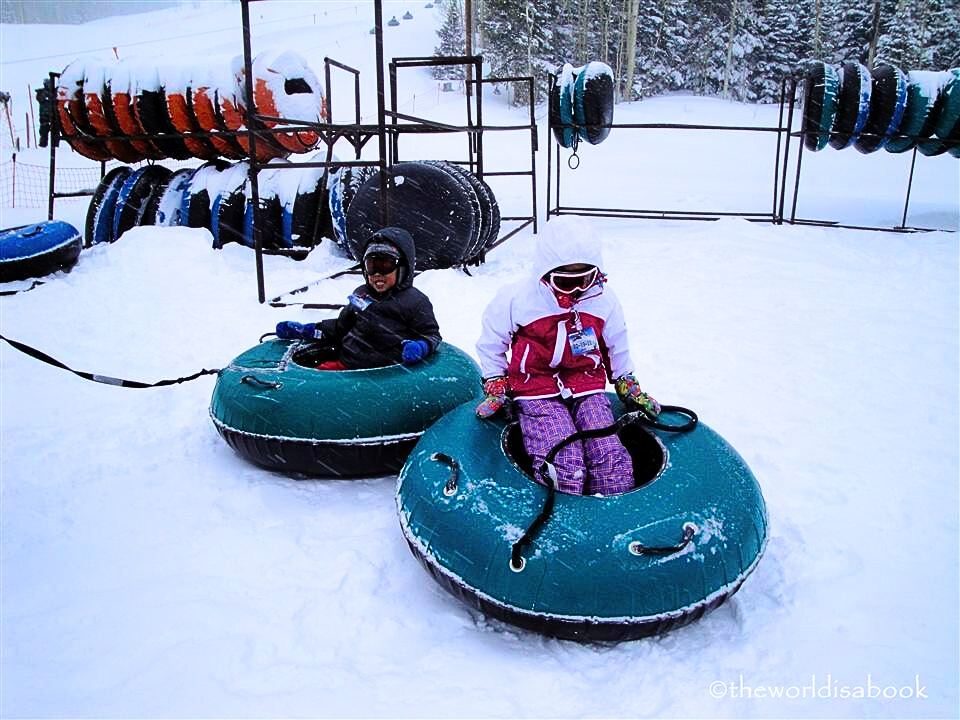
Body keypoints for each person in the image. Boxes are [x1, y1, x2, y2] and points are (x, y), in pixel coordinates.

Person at [475, 215, 660, 496]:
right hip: (535, 387)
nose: (576, 291)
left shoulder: (602, 300)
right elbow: (492, 340)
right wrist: (496, 380)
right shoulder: (519, 299)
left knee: (609, 455)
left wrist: (626, 380)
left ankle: (609, 519)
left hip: (586, 384)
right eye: (565, 281)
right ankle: (561, 518)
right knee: (563, 458)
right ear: (545, 272)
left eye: (584, 279)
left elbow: (616, 343)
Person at [274, 227, 441, 370]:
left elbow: (431, 334)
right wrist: (309, 330)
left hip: (385, 375)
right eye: (371, 266)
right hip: (348, 365)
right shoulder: (361, 294)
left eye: (385, 266)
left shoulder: (415, 301)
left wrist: (421, 346)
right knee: (310, 382)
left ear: (402, 268)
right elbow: (341, 327)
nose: (377, 274)